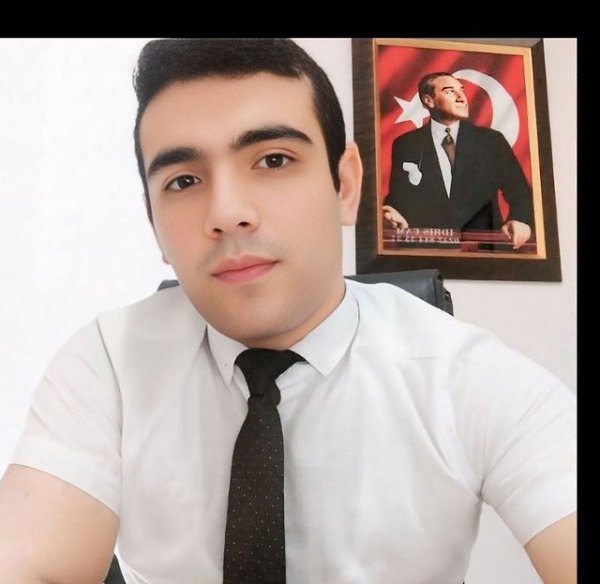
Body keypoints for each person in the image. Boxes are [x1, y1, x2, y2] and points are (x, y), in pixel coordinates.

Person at [0, 39, 575, 584]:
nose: (226, 212)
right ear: (154, 225)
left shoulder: (465, 375)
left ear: (345, 185)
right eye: (183, 180)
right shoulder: (108, 362)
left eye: (274, 159)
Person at [382, 71, 534, 250]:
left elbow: (521, 193)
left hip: (483, 252)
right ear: (429, 101)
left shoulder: (492, 141)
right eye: (450, 91)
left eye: (461, 90)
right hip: (426, 252)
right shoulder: (406, 144)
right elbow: (398, 197)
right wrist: (389, 211)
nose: (461, 97)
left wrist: (520, 220)